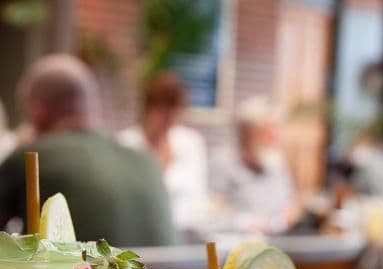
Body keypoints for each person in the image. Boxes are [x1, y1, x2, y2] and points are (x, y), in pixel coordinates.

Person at [0, 54, 177, 246]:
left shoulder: (30, 159)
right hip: (162, 266)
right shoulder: (147, 161)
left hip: (83, 267)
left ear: (38, 109)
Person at [119, 71, 208, 231]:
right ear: (148, 108)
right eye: (163, 109)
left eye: (175, 109)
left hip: (186, 234)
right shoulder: (126, 144)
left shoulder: (191, 143)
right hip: (141, 232)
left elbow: (198, 197)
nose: (169, 117)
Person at [209, 97, 300, 234]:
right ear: (249, 132)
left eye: (277, 129)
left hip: (274, 241)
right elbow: (212, 209)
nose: (276, 136)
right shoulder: (222, 162)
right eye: (270, 129)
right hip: (234, 242)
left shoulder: (276, 163)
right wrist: (245, 224)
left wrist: (282, 220)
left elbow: (291, 205)